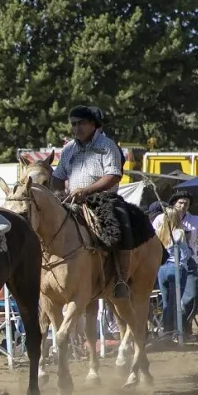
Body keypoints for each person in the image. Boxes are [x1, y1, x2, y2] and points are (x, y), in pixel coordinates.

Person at [50, 105, 136, 297]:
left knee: (120, 226)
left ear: (93, 124)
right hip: (72, 200)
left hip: (104, 200)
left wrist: (87, 191)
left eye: (81, 123)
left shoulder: (107, 146)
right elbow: (57, 175)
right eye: (73, 124)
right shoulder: (68, 149)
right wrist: (56, 192)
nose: (77, 128)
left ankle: (121, 279)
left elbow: (113, 175)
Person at [153, 207, 198, 335]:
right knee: (175, 303)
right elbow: (185, 254)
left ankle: (167, 331)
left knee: (166, 303)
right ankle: (175, 332)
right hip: (176, 267)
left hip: (162, 269)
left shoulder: (158, 232)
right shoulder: (179, 232)